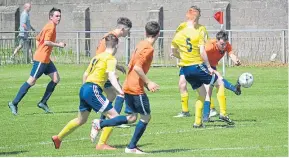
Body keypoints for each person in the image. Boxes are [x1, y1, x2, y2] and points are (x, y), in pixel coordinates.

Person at [51, 34, 134, 149]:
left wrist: (85, 91)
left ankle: (58, 138)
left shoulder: (97, 57)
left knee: (81, 120)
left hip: (85, 88)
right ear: (117, 46)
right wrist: (120, 90)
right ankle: (101, 144)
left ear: (105, 44)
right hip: (93, 89)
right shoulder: (111, 59)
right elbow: (111, 76)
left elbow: (85, 74)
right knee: (115, 118)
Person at [92, 21, 161, 154]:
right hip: (136, 89)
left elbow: (130, 64)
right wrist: (148, 82)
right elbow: (137, 67)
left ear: (145, 32)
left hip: (129, 85)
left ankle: (100, 123)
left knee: (131, 117)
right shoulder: (148, 48)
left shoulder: (141, 44)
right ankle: (131, 147)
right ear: (158, 34)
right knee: (146, 117)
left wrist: (142, 82)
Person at [171, 6, 240, 127]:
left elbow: (172, 50)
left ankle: (198, 122)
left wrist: (181, 57)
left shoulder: (180, 30)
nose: (224, 46)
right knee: (219, 82)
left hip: (187, 68)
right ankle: (223, 113)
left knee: (203, 93)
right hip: (198, 66)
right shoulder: (202, 33)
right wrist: (208, 67)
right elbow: (202, 51)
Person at [8, 7, 66, 115]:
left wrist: (41, 51)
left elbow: (38, 39)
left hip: (45, 59)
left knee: (56, 78)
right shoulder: (50, 27)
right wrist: (59, 45)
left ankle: (43, 102)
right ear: (51, 17)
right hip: (41, 60)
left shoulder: (49, 25)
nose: (59, 18)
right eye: (57, 16)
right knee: (31, 81)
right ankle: (14, 103)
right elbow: (47, 42)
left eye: (60, 16)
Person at [94, 17, 133, 150]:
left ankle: (102, 121)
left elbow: (105, 55)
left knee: (111, 95)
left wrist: (118, 66)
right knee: (120, 94)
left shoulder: (110, 36)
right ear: (123, 29)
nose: (128, 34)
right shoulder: (111, 36)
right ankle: (110, 120)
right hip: (102, 73)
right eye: (128, 31)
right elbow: (101, 55)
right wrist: (110, 73)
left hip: (103, 71)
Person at [202, 30, 241, 124]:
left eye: (225, 44)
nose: (224, 47)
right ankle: (233, 89)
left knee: (209, 90)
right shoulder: (209, 46)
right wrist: (212, 70)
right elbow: (200, 56)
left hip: (212, 66)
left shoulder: (226, 45)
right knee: (217, 82)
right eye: (222, 44)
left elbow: (231, 54)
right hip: (202, 65)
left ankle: (206, 117)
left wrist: (236, 60)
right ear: (217, 41)